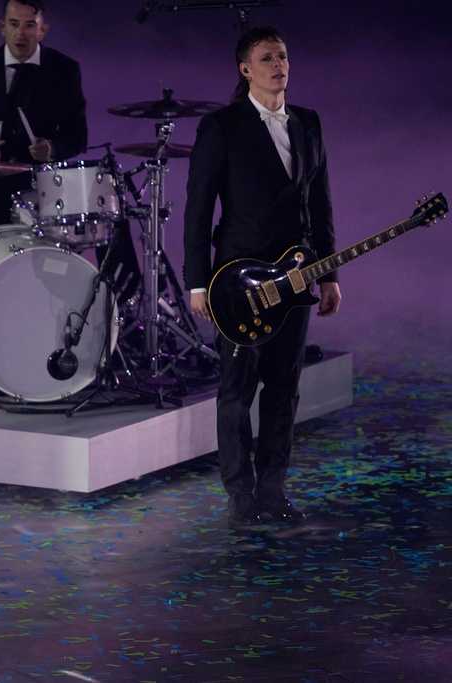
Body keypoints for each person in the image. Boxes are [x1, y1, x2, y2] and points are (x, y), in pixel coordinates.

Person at [182, 27, 341, 525]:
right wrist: (197, 281)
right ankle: (239, 494)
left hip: (296, 278)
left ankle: (272, 489)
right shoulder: (222, 126)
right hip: (239, 281)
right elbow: (198, 208)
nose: (280, 64)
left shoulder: (308, 123)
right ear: (245, 69)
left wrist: (329, 272)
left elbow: (320, 202)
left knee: (284, 387)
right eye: (268, 57)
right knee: (237, 389)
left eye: (284, 56)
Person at [0, 0, 87, 232]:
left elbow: (78, 135)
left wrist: (52, 148)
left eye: (30, 25)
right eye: (14, 24)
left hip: (44, 193)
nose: (21, 33)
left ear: (42, 30)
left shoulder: (64, 71)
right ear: (2, 27)